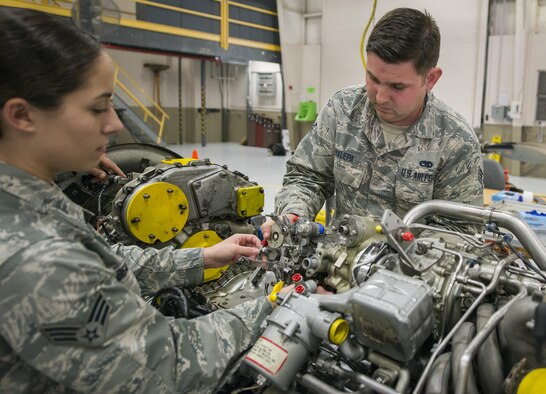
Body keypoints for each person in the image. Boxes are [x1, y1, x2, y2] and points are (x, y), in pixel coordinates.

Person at [0, 8, 273, 393]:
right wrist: (274, 306)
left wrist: (204, 258)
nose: (113, 123)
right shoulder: (36, 258)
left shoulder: (26, 199)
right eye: (98, 107)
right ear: (22, 115)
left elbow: (103, 265)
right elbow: (170, 367)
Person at [265, 7, 483, 237]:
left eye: (397, 87)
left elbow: (460, 232)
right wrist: (294, 215)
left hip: (408, 270)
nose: (380, 96)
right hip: (339, 262)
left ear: (430, 78)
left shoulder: (457, 142)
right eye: (373, 78)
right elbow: (307, 177)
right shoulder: (342, 110)